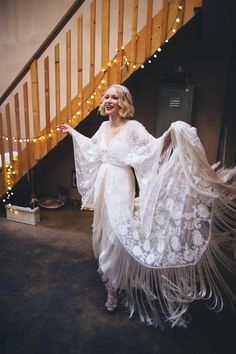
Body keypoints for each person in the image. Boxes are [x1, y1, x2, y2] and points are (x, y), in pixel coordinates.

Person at [59, 84, 236, 328]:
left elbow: (153, 149)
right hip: (103, 183)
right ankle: (115, 277)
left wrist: (172, 132)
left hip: (121, 183)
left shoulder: (133, 127)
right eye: (107, 96)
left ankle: (112, 289)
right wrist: (72, 132)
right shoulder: (103, 127)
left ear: (123, 102)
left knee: (116, 234)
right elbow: (92, 148)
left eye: (115, 97)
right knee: (102, 232)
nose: (109, 100)